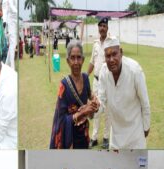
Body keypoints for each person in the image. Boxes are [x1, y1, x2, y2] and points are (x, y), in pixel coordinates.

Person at [97, 36, 150, 149]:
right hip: (116, 136)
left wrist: (145, 128)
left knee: (137, 166)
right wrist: (94, 107)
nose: (111, 59)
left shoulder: (135, 70)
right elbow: (101, 101)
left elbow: (145, 103)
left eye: (114, 54)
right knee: (116, 166)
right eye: (108, 56)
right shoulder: (103, 71)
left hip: (135, 136)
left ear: (121, 52)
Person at [50, 41, 99, 149]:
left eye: (79, 57)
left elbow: (91, 96)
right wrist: (83, 112)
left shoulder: (86, 78)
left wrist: (95, 103)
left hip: (84, 136)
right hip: (69, 139)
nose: (76, 62)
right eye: (72, 58)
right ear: (68, 61)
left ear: (83, 59)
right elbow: (61, 120)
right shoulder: (64, 85)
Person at [88, 18, 111, 149]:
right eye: (100, 26)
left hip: (108, 82)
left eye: (104, 26)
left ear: (107, 28)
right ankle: (94, 137)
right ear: (98, 28)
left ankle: (106, 138)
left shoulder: (111, 42)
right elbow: (92, 61)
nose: (102, 28)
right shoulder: (95, 44)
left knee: (108, 110)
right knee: (95, 109)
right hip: (96, 81)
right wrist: (85, 75)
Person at [3, 0, 17, 69]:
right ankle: (12, 66)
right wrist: (4, 20)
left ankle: (7, 64)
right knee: (13, 43)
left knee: (13, 44)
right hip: (11, 19)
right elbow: (6, 7)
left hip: (14, 18)